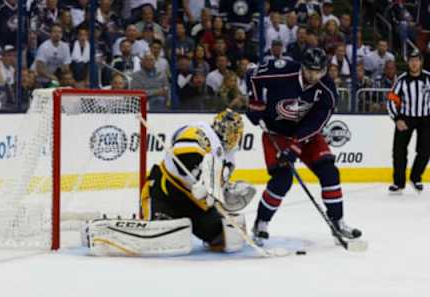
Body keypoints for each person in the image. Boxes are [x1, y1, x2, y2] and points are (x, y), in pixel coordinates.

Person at [246, 47, 362, 246]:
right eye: (310, 71)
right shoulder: (283, 70)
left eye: (319, 72)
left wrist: (296, 146)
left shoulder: (328, 91)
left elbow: (315, 124)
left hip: (305, 136)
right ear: (303, 67)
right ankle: (261, 223)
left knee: (329, 172)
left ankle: (338, 223)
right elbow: (252, 73)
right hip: (276, 132)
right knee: (282, 179)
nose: (315, 76)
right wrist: (255, 103)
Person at [140, 109, 255, 252]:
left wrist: (226, 194)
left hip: (195, 205)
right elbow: (182, 153)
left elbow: (213, 194)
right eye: (228, 130)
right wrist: (203, 176)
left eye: (234, 132)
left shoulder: (228, 159)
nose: (230, 135)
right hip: (166, 193)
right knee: (162, 239)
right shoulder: (202, 131)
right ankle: (154, 219)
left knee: (224, 238)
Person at [386, 50, 430, 194]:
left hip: (425, 118)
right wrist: (397, 119)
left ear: (421, 62)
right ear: (408, 62)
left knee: (425, 150)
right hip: (406, 118)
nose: (414, 63)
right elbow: (391, 100)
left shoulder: (429, 78)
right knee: (399, 151)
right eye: (411, 60)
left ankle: (416, 177)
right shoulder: (402, 80)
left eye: (417, 60)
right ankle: (398, 183)